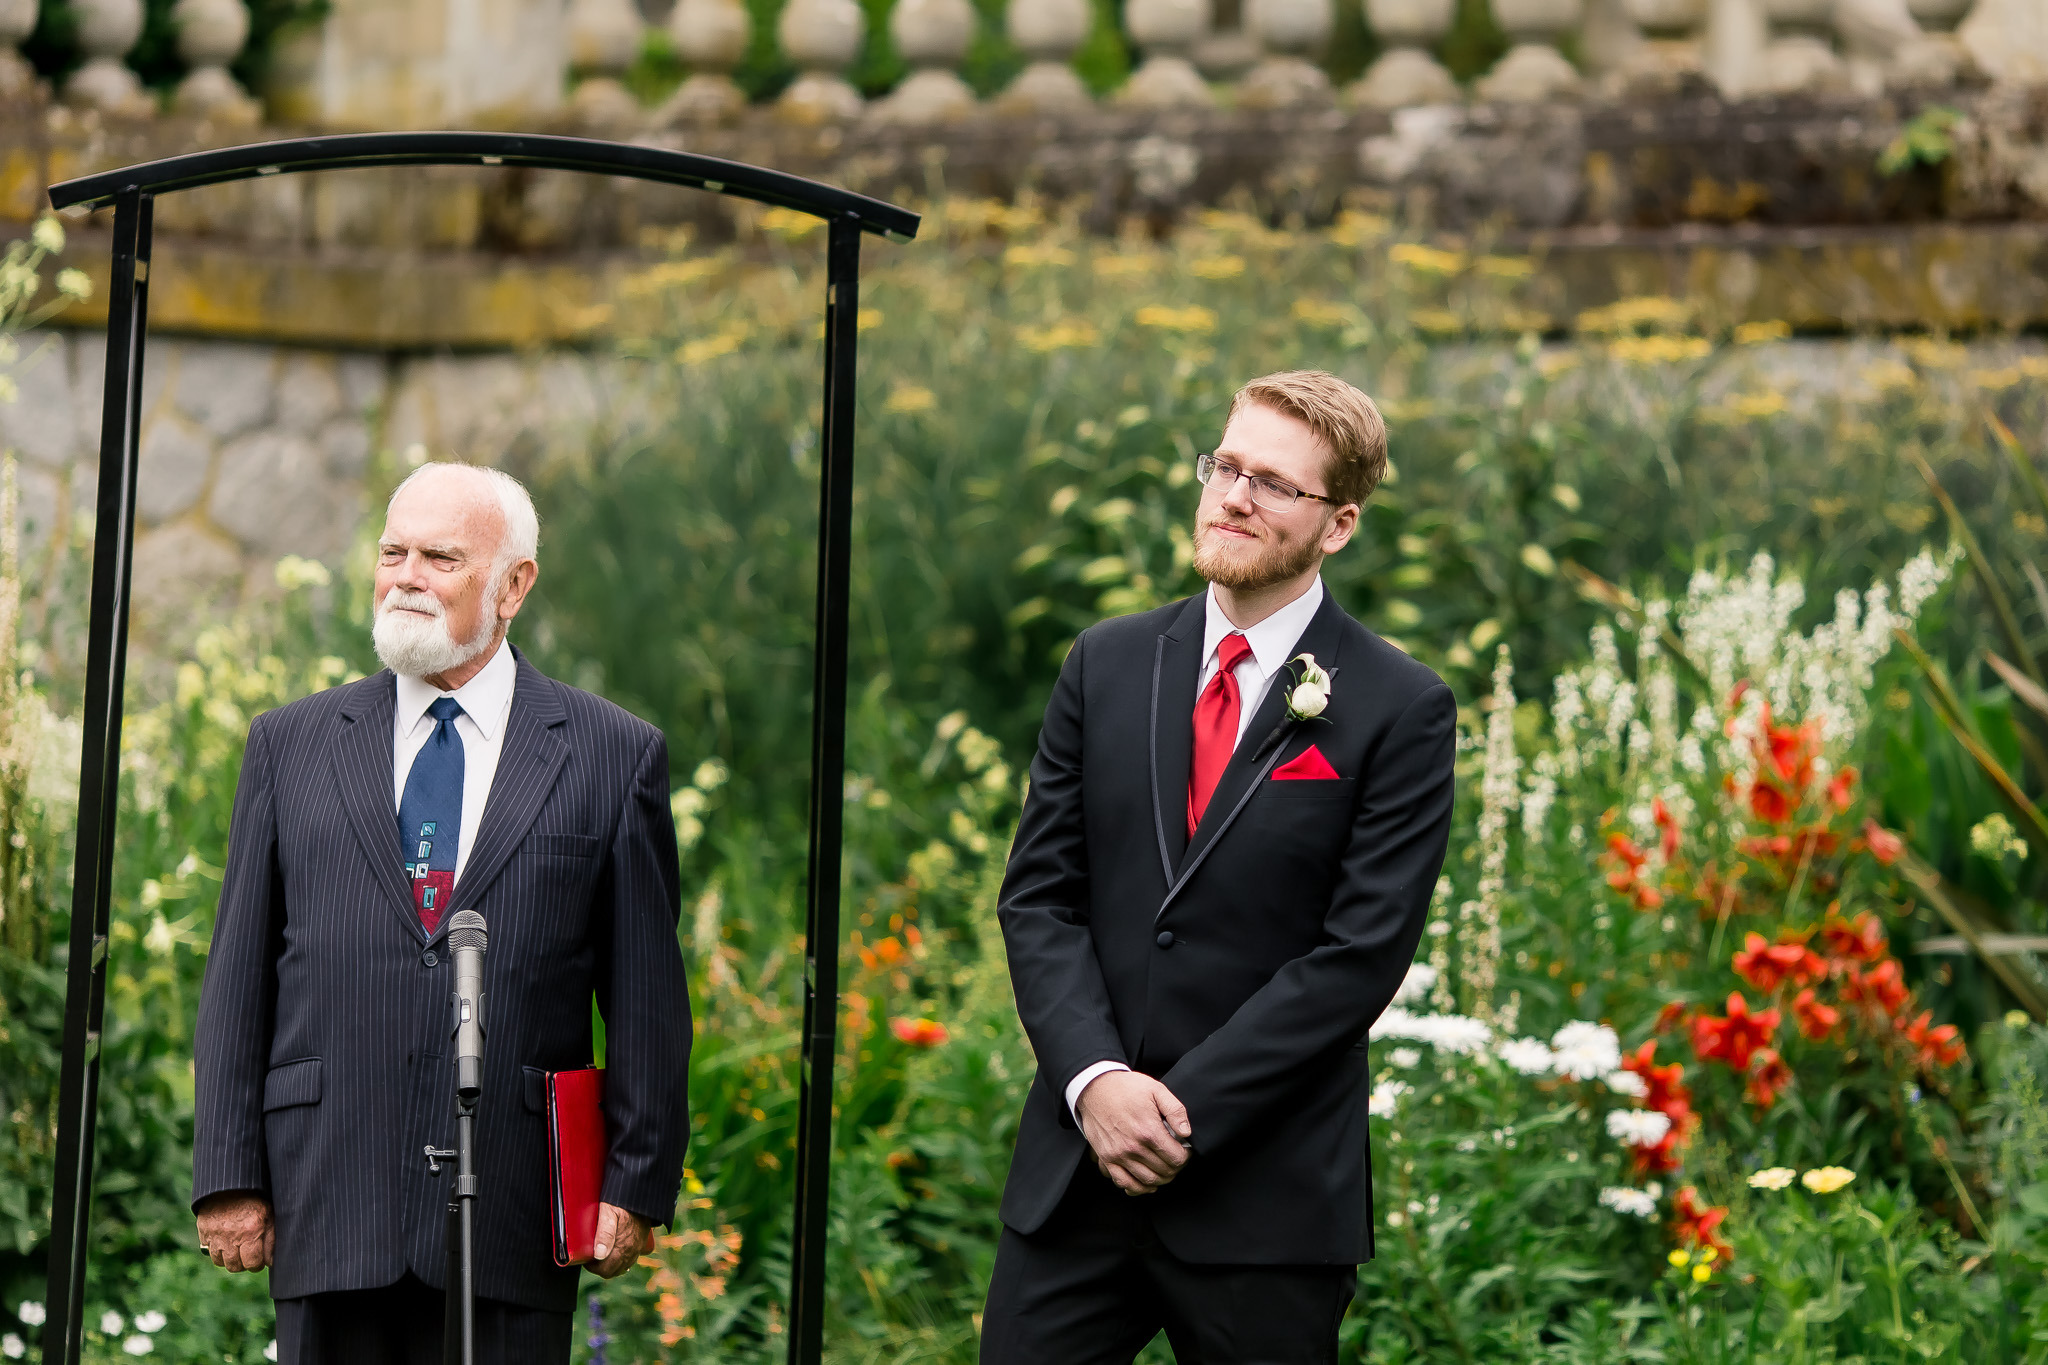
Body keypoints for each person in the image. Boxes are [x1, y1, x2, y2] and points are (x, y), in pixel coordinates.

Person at [982, 371, 1458, 1364]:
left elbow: (1356, 957)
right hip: (1077, 1178)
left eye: (1273, 484)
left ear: (1338, 525)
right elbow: (1039, 898)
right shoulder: (1104, 664)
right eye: (1225, 467)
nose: (1234, 496)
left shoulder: (1396, 707)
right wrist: (1097, 1083)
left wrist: (1177, 1114)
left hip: (1266, 1204)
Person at [191, 463, 692, 1365]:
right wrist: (228, 1174)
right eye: (392, 552)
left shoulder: (612, 756)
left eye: (439, 556)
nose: (406, 576)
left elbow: (647, 994)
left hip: (509, 1207)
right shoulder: (289, 744)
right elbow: (238, 976)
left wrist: (636, 1179)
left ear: (514, 584)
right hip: (328, 1194)